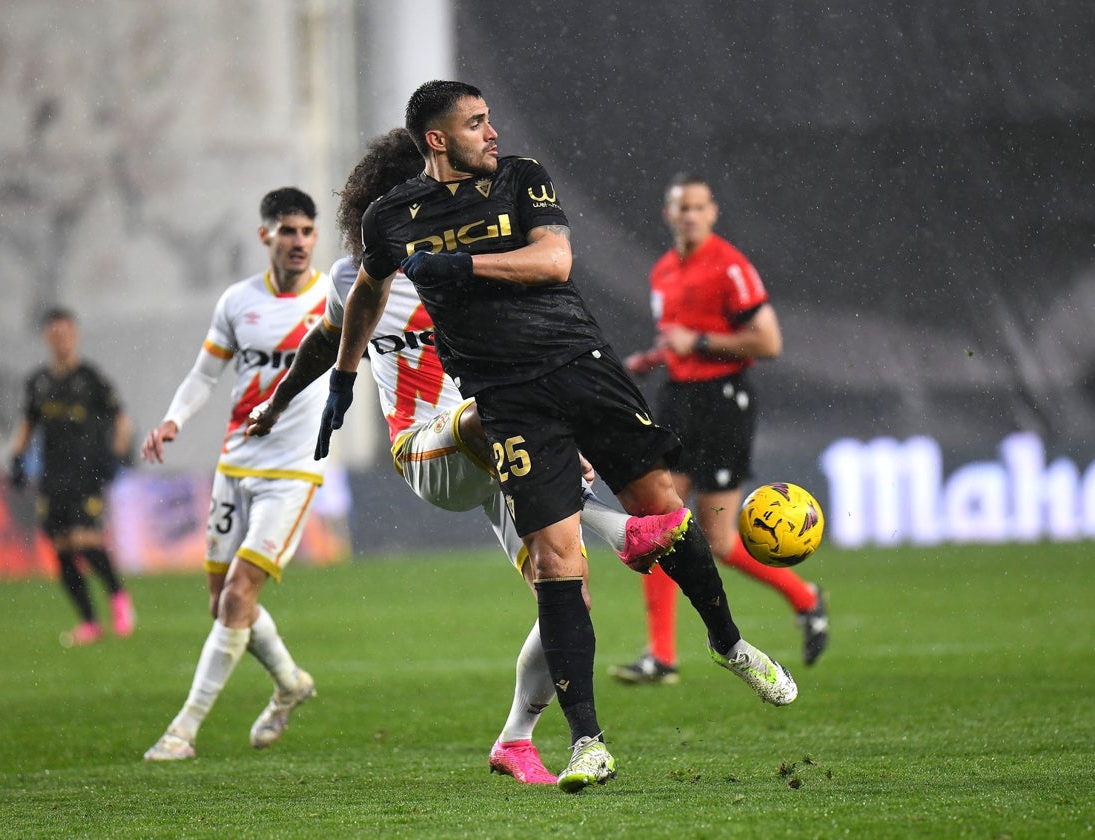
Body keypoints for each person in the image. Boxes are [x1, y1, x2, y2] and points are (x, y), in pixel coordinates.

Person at [316, 81, 798, 793]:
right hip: (504, 401)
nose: (492, 132)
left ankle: (728, 643)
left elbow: (554, 262)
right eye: (476, 124)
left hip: (580, 364)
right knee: (557, 562)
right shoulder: (393, 219)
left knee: (664, 509)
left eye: (489, 119)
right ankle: (587, 742)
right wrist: (343, 376)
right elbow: (366, 292)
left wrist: (462, 265)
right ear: (437, 140)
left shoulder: (521, 178)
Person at [246, 129, 689, 785]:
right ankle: (615, 525)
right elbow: (323, 342)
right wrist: (278, 404)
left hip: (499, 454)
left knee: (568, 596)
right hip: (428, 450)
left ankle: (515, 739)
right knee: (491, 412)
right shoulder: (357, 278)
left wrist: (557, 437)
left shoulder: (477, 264)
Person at [610, 175, 829, 686]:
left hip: (723, 402)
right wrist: (655, 356)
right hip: (678, 399)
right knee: (660, 518)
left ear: (713, 213)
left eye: (699, 206)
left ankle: (805, 597)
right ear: (668, 215)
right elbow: (679, 340)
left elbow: (768, 341)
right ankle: (661, 655)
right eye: (681, 206)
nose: (690, 214)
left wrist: (699, 341)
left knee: (720, 541)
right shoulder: (664, 270)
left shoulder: (729, 265)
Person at [139, 187, 330, 762]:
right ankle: (291, 681)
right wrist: (173, 420)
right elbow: (204, 375)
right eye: (287, 230)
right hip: (234, 467)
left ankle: (183, 730)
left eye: (306, 231)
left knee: (240, 594)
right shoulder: (237, 301)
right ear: (264, 235)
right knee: (223, 601)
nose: (298, 241)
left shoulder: (336, 299)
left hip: (293, 473)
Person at [8, 307, 134, 645]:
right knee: (62, 548)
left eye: (66, 333)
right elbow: (27, 423)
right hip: (53, 476)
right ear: (48, 338)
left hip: (86, 472)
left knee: (85, 540)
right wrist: (17, 459)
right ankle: (90, 622)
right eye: (55, 334)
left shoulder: (90, 378)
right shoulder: (39, 382)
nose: (61, 340)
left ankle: (118, 597)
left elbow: (121, 418)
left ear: (74, 335)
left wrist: (119, 453)